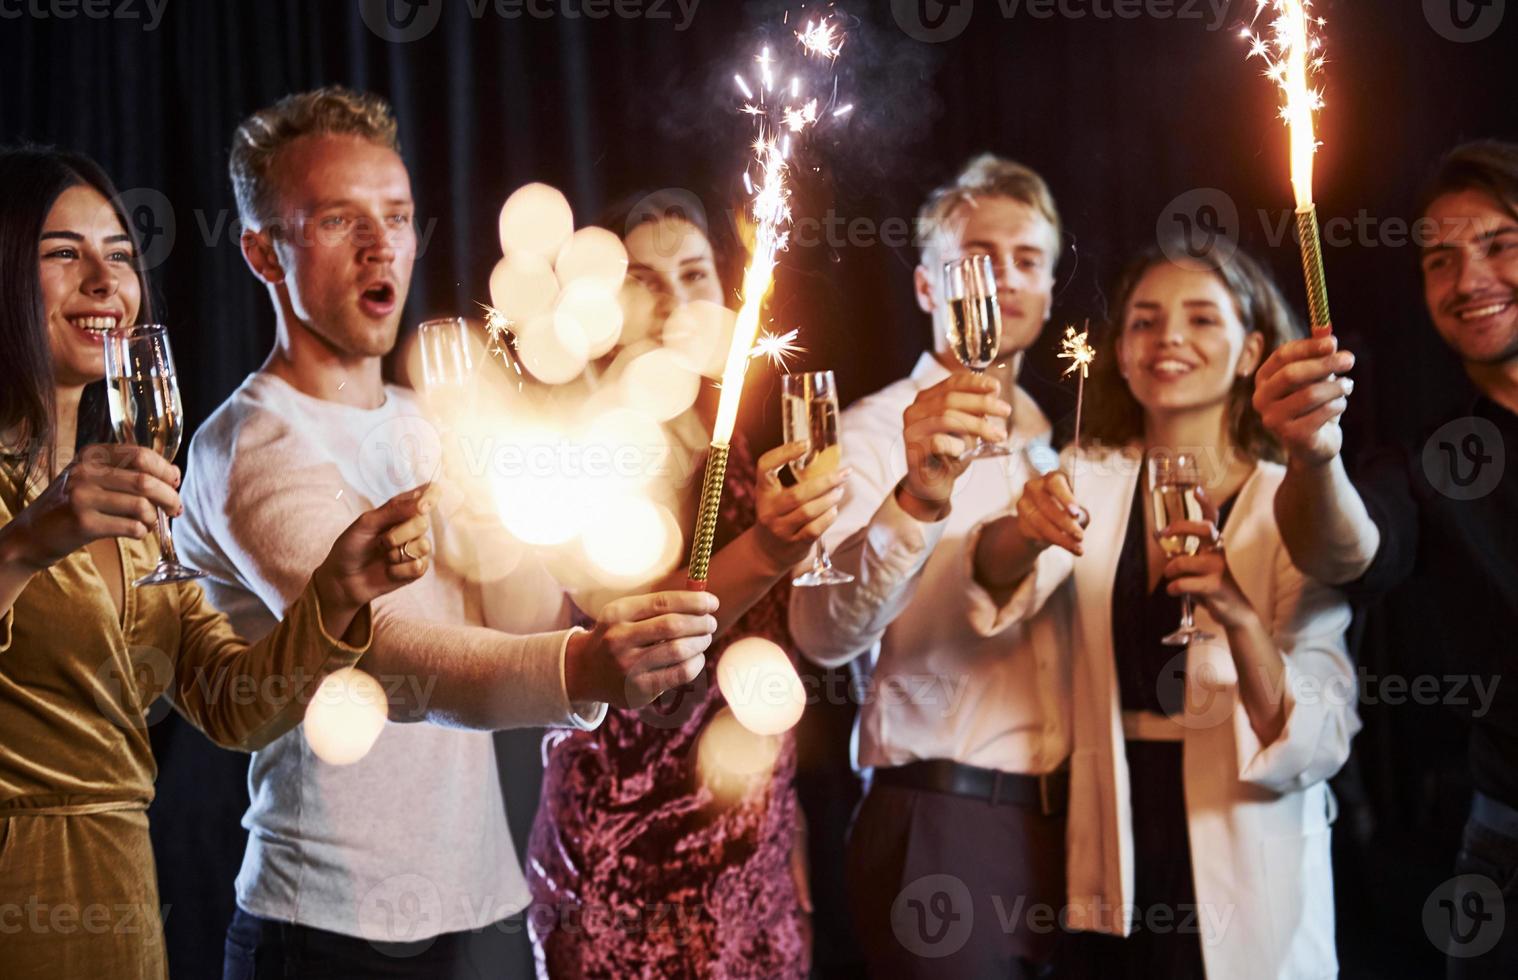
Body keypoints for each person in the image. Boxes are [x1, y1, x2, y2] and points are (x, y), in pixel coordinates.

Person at [165, 88, 718, 979]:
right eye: (340, 220)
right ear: (265, 250)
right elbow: (380, 660)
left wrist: (502, 533)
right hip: (328, 925)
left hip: (481, 908)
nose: (383, 245)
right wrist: (587, 670)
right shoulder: (250, 444)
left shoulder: (432, 418)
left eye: (395, 216)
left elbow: (523, 613)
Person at [0, 145, 434, 979]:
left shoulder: (134, 509)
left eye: (121, 255)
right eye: (64, 253)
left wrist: (337, 593)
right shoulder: (49, 507)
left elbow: (237, 706)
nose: (106, 281)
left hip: (121, 897)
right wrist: (28, 541)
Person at [972, 242, 1359, 978]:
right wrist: (1020, 530)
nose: (1168, 338)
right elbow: (993, 584)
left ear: (1250, 352)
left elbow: (1321, 735)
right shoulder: (1086, 477)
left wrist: (1238, 614)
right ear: (1118, 353)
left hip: (1244, 840)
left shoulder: (1292, 506)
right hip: (1113, 829)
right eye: (1144, 322)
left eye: (1200, 319)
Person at [525, 189, 846, 979]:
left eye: (695, 274)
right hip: (623, 856)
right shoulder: (580, 442)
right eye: (644, 279)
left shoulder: (737, 440)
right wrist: (770, 547)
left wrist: (784, 811)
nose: (674, 303)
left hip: (751, 857)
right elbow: (643, 645)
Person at [788, 154, 1075, 979]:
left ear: (1051, 290)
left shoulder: (1056, 447)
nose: (1006, 280)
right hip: (940, 822)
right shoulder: (875, 433)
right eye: (978, 258)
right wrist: (917, 495)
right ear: (926, 288)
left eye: (1028, 261)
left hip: (1065, 835)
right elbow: (822, 632)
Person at [1251, 140, 1518, 978]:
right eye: (1440, 259)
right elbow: (1348, 551)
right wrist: (1311, 456)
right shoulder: (1434, 457)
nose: (1468, 279)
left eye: (1498, 244)